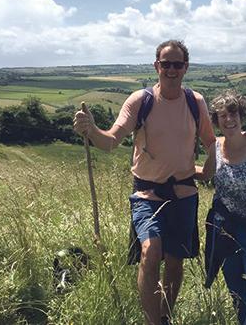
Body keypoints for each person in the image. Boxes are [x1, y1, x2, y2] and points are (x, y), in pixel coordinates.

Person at [73, 40, 216, 325]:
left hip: (185, 194)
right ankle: (153, 322)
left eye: (177, 64)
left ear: (186, 67)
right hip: (147, 194)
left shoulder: (195, 102)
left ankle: (165, 316)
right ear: (156, 66)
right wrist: (91, 130)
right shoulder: (141, 100)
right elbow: (112, 141)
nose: (171, 70)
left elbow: (212, 143)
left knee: (175, 260)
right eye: (166, 64)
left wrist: (240, 146)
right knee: (151, 250)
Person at [195, 91, 246, 325]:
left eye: (233, 114)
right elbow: (205, 173)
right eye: (222, 116)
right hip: (225, 230)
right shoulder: (215, 147)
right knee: (236, 289)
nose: (229, 120)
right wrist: (171, 166)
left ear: (242, 116)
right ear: (216, 120)